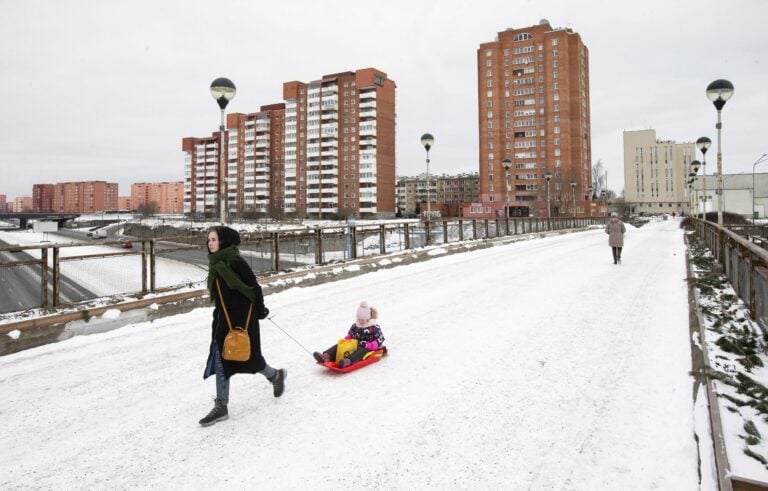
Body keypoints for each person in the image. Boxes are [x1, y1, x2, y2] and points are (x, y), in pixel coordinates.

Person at [199, 226, 286, 427]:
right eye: (209, 240)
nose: (210, 243)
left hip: (243, 319)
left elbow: (254, 287)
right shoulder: (215, 264)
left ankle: (275, 375)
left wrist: (260, 309)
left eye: (213, 239)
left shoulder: (235, 261)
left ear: (224, 241)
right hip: (223, 319)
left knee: (252, 360)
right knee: (222, 360)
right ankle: (222, 405)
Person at [313, 301, 385, 368]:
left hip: (366, 347)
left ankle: (347, 361)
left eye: (363, 320)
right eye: (359, 319)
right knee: (339, 345)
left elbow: (379, 339)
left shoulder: (374, 328)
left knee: (360, 351)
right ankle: (326, 356)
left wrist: (369, 345)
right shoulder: (355, 325)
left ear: (368, 318)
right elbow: (351, 334)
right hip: (354, 344)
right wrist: (347, 338)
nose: (360, 321)